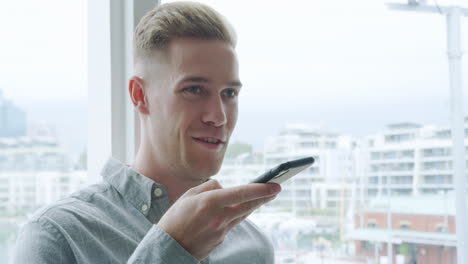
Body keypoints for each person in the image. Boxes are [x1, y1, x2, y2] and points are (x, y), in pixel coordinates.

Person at [14, 2, 281, 263]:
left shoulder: (254, 247)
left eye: (229, 93)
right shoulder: (57, 235)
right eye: (194, 89)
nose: (218, 116)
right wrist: (171, 249)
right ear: (140, 95)